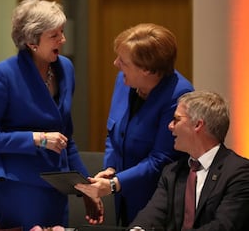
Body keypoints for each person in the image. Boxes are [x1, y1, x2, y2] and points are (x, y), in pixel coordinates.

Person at [0, 0, 103, 230]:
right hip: (19, 185)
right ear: (32, 41)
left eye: (62, 32)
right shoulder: (4, 74)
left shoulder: (66, 69)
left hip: (57, 186)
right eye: (54, 35)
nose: (63, 40)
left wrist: (86, 187)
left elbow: (66, 137)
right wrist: (37, 139)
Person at [74, 23, 194, 226]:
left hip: (158, 203)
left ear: (147, 69)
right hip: (124, 198)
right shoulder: (124, 80)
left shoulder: (179, 95)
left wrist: (113, 184)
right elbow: (114, 133)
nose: (115, 64)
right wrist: (110, 168)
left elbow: (161, 159)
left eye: (123, 61)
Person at [128, 90, 249, 231]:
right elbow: (152, 216)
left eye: (176, 120)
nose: (170, 126)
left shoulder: (239, 173)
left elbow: (224, 226)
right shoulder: (172, 172)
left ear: (198, 125)